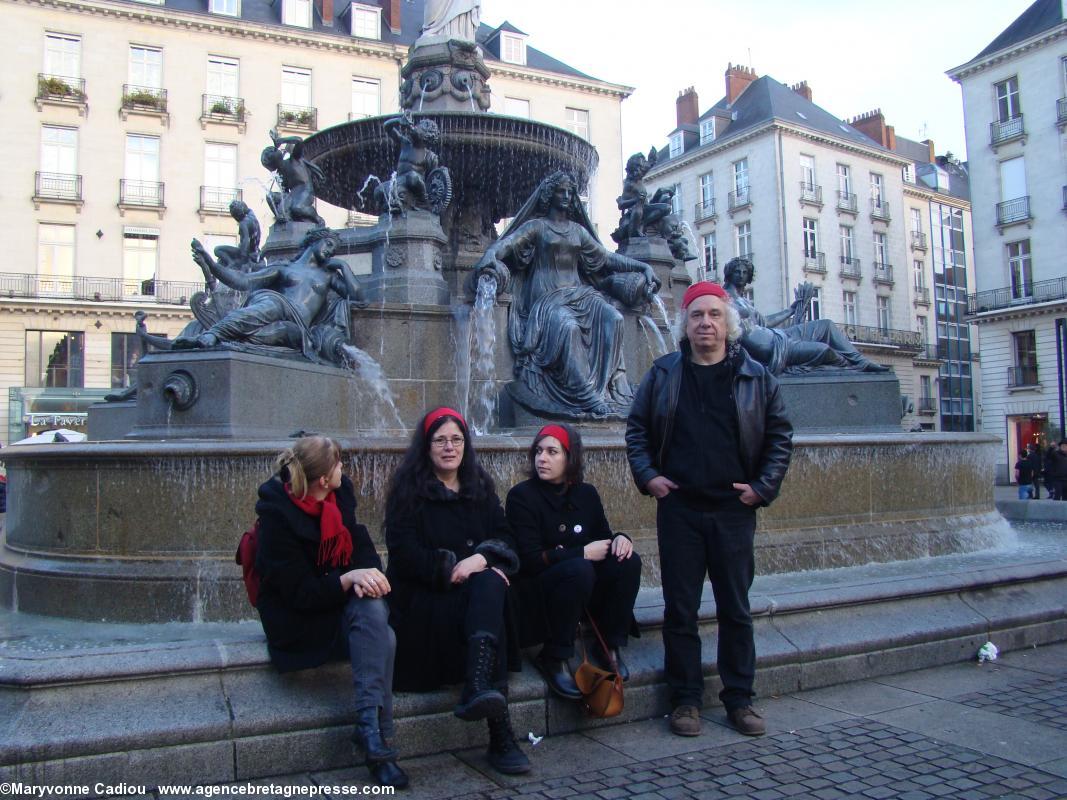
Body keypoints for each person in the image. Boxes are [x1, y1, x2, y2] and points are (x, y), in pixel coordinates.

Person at [626, 281, 793, 738]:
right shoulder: (663, 373)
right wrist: (649, 477)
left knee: (735, 608)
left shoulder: (757, 377)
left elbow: (780, 436)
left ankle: (740, 700)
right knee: (680, 610)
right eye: (697, 315)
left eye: (714, 315)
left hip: (733, 511)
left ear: (728, 323)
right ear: (686, 323)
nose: (706, 323)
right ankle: (685, 700)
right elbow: (637, 430)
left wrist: (761, 488)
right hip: (679, 509)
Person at [254, 436, 407, 788]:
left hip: (337, 604)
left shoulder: (339, 497)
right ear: (323, 478)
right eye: (339, 464)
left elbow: (360, 545)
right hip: (298, 620)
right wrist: (347, 579)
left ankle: (371, 732)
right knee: (382, 633)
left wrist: (365, 576)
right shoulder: (277, 516)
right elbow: (299, 593)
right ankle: (378, 739)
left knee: (371, 610)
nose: (344, 470)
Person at [384, 407, 530, 775]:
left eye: (457, 440)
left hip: (477, 595)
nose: (449, 448)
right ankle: (500, 734)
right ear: (427, 446)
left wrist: (479, 560)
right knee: (491, 598)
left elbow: (506, 536)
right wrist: (450, 568)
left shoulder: (479, 485)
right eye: (440, 440)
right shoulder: (407, 491)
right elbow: (404, 554)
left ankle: (480, 686)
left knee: (490, 583)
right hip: (428, 602)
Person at [474, 171, 661, 418]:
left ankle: (607, 387)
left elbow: (606, 257)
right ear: (549, 195)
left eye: (570, 192)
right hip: (547, 300)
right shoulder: (537, 227)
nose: (566, 196)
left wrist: (643, 266)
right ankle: (586, 394)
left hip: (580, 295)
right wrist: (491, 254)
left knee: (613, 318)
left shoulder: (578, 231)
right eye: (561, 191)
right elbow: (508, 243)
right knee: (569, 327)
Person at [506, 424, 641, 700]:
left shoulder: (586, 494)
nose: (541, 458)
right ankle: (554, 655)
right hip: (541, 592)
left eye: (552, 452)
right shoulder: (522, 496)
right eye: (539, 451)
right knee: (579, 568)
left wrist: (621, 539)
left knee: (628, 561)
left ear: (570, 458)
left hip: (581, 587)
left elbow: (602, 538)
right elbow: (528, 560)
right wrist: (579, 554)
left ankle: (609, 644)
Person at [178, 228, 365, 366]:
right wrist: (210, 264)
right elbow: (243, 281)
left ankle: (216, 337)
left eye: (334, 251)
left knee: (280, 332)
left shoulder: (329, 276)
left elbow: (358, 298)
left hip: (298, 326)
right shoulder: (284, 268)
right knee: (270, 305)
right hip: (278, 304)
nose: (331, 251)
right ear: (315, 241)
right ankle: (213, 334)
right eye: (329, 244)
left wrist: (343, 266)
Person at [721, 257, 889, 375]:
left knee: (826, 326)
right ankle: (851, 368)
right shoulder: (724, 299)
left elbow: (764, 322)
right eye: (737, 272)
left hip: (778, 336)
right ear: (729, 274)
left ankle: (861, 362)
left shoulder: (745, 301)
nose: (741, 275)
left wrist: (791, 309)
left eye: (744, 272)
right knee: (823, 350)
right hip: (771, 349)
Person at [261, 129, 325, 226]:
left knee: (297, 207)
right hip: (293, 195)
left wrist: (281, 140)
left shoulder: (294, 159)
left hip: (305, 191)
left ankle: (318, 219)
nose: (270, 152)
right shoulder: (280, 175)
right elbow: (285, 192)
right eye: (269, 155)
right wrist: (283, 208)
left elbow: (299, 141)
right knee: (270, 196)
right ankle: (282, 219)